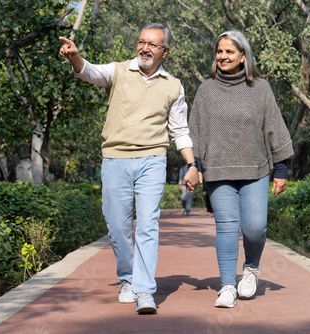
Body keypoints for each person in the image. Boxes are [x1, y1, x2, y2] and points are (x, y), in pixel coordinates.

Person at [59, 23, 199, 314]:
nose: (145, 48)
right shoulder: (119, 71)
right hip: (115, 159)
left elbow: (180, 129)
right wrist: (74, 56)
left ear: (165, 51)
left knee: (148, 225)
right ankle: (128, 278)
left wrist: (191, 164)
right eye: (141, 42)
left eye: (153, 44)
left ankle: (145, 290)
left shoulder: (173, 85)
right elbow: (90, 71)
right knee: (118, 227)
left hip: (152, 160)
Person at [189, 30, 294, 308]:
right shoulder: (206, 90)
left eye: (229, 52)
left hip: (256, 169)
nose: (223, 56)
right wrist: (194, 165)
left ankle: (250, 269)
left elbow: (274, 126)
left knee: (255, 228)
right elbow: (196, 131)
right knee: (226, 227)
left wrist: (280, 169)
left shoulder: (260, 88)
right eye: (219, 51)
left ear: (243, 56)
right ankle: (226, 286)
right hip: (218, 170)